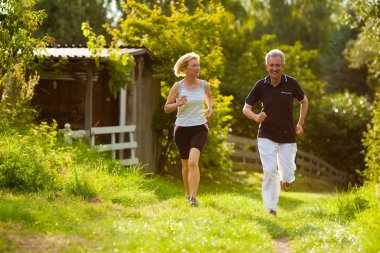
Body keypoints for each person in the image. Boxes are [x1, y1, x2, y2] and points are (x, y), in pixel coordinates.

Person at [242, 49, 308, 216]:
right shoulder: (260, 85)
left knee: (286, 172)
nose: (274, 69)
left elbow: (304, 101)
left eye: (278, 65)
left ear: (283, 66)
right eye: (271, 65)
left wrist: (300, 123)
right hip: (266, 133)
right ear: (266, 67)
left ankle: (286, 179)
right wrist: (256, 117)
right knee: (270, 170)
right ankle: (271, 208)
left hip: (288, 135)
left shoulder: (292, 83)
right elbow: (246, 108)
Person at [164, 52, 213, 207]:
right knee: (185, 165)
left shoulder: (204, 84)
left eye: (198, 65)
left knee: (193, 162)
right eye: (194, 65)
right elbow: (166, 107)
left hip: (199, 127)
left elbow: (209, 96)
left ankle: (193, 198)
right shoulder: (178, 86)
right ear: (185, 68)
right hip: (182, 129)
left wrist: (210, 108)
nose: (198, 68)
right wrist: (177, 104)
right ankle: (187, 193)